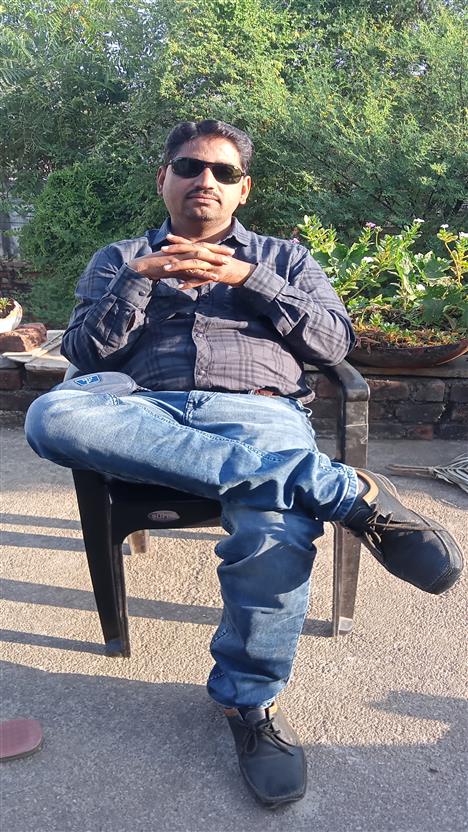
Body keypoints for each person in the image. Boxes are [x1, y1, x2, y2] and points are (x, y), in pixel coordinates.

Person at [25, 119, 463, 808]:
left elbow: (333, 344)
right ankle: (338, 490)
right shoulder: (119, 258)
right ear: (164, 178)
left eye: (223, 172)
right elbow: (83, 354)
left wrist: (249, 279)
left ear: (243, 189)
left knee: (277, 529)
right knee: (52, 416)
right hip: (140, 411)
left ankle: (247, 702)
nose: (206, 180)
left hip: (257, 410)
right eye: (189, 166)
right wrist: (138, 282)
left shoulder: (284, 260)